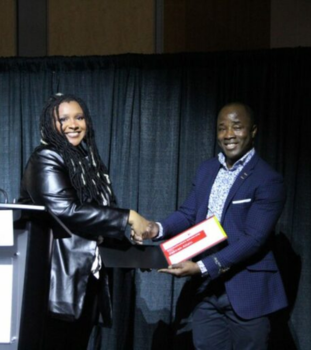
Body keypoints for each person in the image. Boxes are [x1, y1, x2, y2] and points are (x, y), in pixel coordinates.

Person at [141, 102, 288, 350]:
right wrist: (157, 228)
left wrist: (201, 267)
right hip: (206, 291)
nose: (228, 134)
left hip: (245, 289)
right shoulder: (207, 169)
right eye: (222, 128)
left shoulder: (268, 179)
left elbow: (253, 240)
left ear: (253, 131)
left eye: (237, 127)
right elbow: (189, 214)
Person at [19, 93, 149, 350]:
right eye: (63, 119)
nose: (73, 124)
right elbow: (65, 210)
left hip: (86, 279)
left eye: (79, 117)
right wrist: (128, 217)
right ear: (49, 124)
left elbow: (99, 217)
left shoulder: (88, 162)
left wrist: (134, 244)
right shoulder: (45, 157)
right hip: (54, 282)